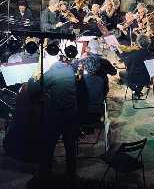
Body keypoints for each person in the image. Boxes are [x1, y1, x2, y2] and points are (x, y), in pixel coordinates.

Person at [26, 53, 79, 186]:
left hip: (56, 116)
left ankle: (45, 174)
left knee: (48, 145)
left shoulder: (51, 73)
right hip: (72, 114)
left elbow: (33, 90)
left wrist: (33, 76)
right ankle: (71, 174)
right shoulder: (70, 69)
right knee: (70, 145)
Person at [73, 52, 117, 125]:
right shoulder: (100, 78)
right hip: (99, 102)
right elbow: (113, 72)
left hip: (84, 107)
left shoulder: (81, 79)